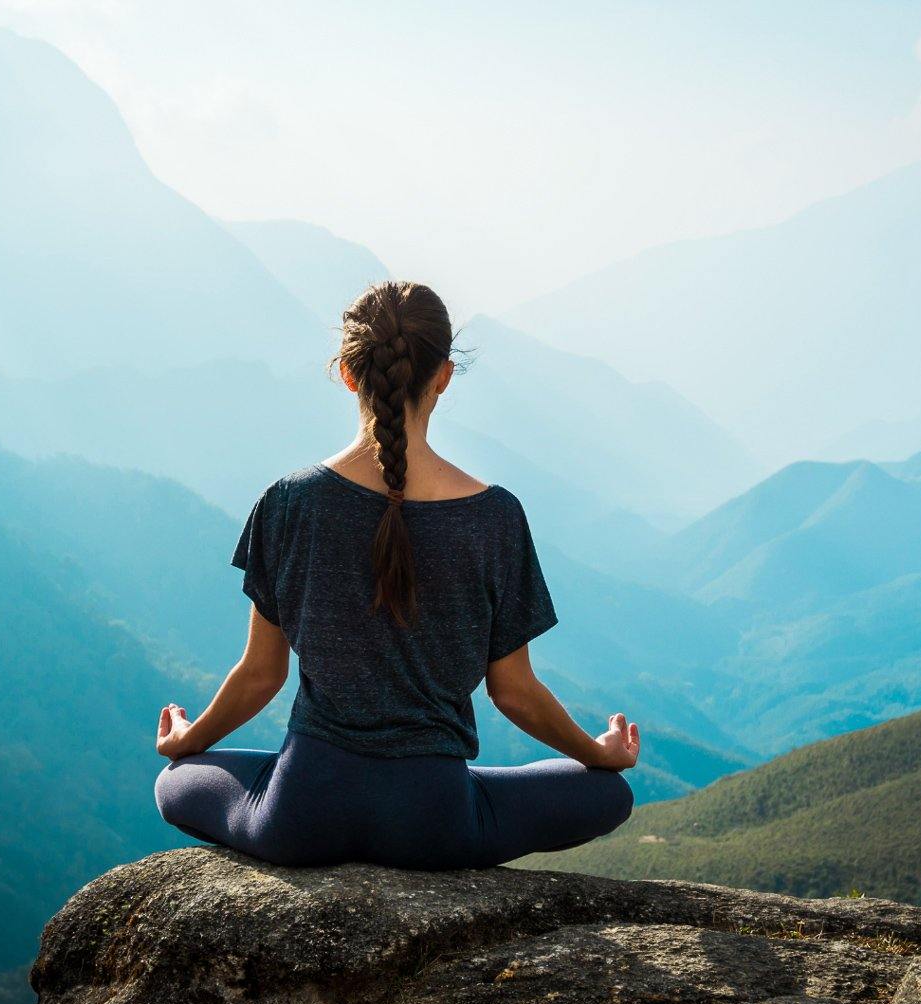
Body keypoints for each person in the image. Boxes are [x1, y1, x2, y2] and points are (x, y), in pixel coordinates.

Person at [154, 280, 639, 870]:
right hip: (435, 824)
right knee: (608, 793)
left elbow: (261, 675)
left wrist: (190, 739)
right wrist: (596, 750)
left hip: (303, 813)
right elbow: (513, 692)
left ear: (348, 374)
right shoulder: (495, 518)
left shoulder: (288, 503)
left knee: (176, 783)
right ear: (444, 375)